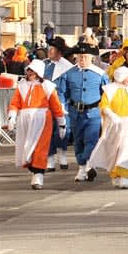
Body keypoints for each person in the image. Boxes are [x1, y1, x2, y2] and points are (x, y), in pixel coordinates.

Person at [6, 59, 66, 189]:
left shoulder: (48, 87)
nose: (30, 73)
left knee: (40, 147)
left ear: (39, 72)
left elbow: (56, 106)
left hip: (42, 119)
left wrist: (61, 123)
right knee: (27, 147)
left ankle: (38, 175)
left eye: (33, 71)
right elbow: (15, 102)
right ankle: (33, 168)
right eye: (28, 70)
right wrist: (12, 116)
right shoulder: (22, 86)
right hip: (25, 120)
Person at [87, 66, 128, 189]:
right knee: (113, 153)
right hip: (113, 126)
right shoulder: (109, 90)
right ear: (122, 77)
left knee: (127, 150)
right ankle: (115, 175)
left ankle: (125, 177)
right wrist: (112, 116)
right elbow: (104, 106)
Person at [61, 42, 109, 182]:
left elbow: (107, 94)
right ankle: (83, 167)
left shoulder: (100, 74)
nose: (82, 60)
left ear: (91, 58)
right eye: (80, 57)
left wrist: (107, 112)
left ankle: (87, 163)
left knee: (91, 139)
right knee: (78, 141)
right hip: (75, 112)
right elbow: (64, 93)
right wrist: (63, 108)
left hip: (93, 112)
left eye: (85, 57)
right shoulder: (69, 74)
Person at [44, 37, 74, 171]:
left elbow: (71, 87)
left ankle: (62, 155)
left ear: (59, 51)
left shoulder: (68, 67)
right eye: (49, 48)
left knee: (63, 131)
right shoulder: (45, 65)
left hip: (62, 103)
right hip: (46, 103)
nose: (49, 51)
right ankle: (50, 159)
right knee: (48, 131)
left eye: (52, 48)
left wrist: (68, 102)